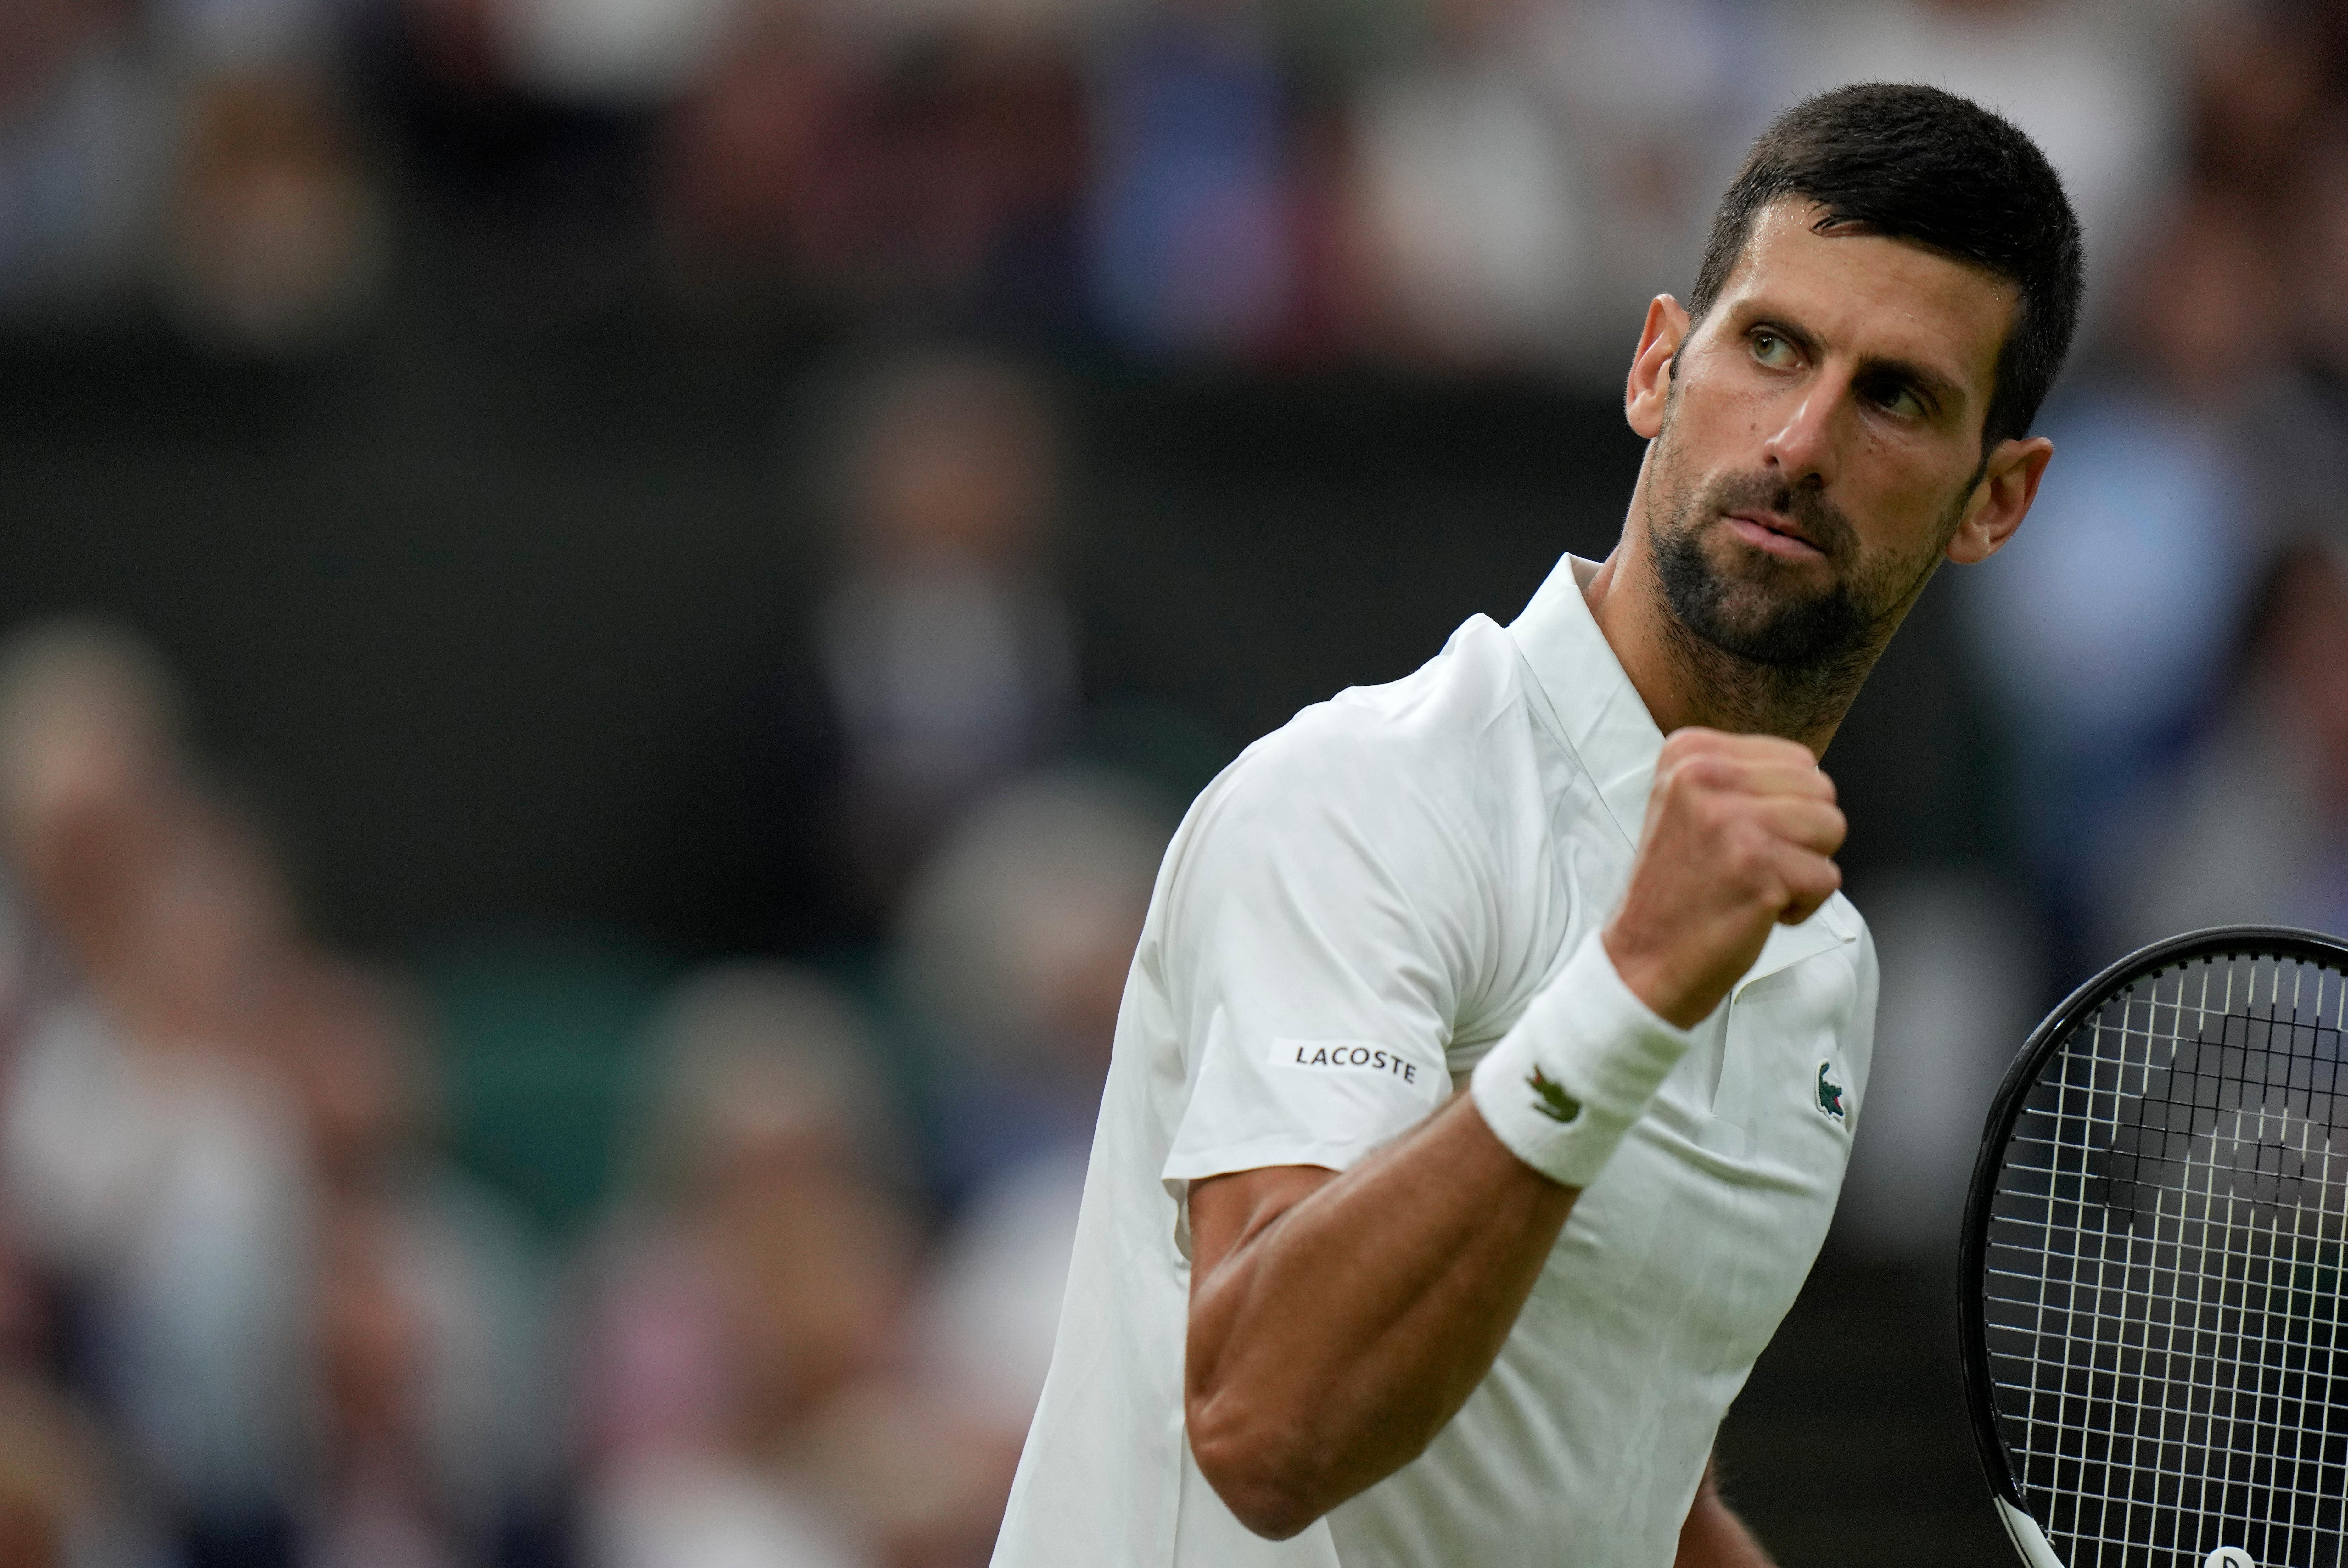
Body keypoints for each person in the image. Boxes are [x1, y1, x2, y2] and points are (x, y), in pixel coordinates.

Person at [991, 82, 2081, 1567]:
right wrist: (1625, 994)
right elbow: (1260, 1425)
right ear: (1657, 364)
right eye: (1770, 345)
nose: (1804, 436)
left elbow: (1611, 1467)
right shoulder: (1360, 800)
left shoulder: (1821, 966)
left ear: (1994, 501)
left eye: (1897, 396)